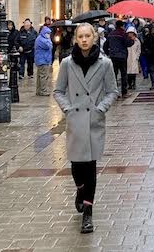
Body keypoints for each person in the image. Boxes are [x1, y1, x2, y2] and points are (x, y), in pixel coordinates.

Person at [53, 23, 118, 233]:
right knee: (76, 167)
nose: (84, 40)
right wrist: (68, 109)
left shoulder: (105, 63)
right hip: (75, 120)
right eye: (80, 36)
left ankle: (88, 214)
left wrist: (101, 109)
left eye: (87, 36)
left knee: (90, 168)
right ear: (75, 39)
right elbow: (58, 91)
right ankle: (80, 190)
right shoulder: (66, 63)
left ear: (94, 38)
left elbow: (112, 91)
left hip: (93, 121)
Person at [103, 20, 133, 97]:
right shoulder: (123, 34)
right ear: (122, 26)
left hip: (113, 57)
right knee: (123, 74)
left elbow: (105, 46)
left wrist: (108, 53)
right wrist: (131, 39)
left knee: (114, 75)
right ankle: (124, 92)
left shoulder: (111, 34)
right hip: (122, 57)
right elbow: (128, 43)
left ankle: (114, 92)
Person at [34, 25, 53, 96]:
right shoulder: (41, 39)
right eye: (47, 33)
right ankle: (43, 90)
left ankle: (39, 90)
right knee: (44, 76)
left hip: (41, 60)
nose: (49, 35)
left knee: (40, 76)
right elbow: (49, 46)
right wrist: (49, 42)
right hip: (43, 60)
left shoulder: (40, 38)